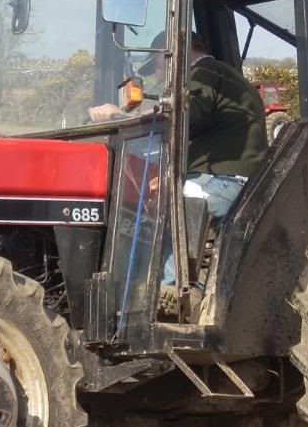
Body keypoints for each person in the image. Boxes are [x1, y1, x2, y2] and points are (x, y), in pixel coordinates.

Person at [89, 31, 268, 308]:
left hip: (228, 179)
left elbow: (184, 116)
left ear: (173, 53)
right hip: (220, 176)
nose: (159, 76)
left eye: (158, 66)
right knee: (159, 202)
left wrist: (120, 115)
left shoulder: (205, 73)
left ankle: (170, 294)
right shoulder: (222, 78)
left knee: (169, 209)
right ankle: (163, 288)